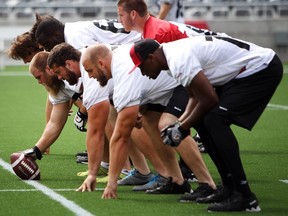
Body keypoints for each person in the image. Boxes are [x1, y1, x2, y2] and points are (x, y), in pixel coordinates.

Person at [128, 37, 283, 211]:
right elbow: (194, 96)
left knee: (215, 120)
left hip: (261, 68)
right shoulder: (170, 57)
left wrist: (181, 128)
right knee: (203, 120)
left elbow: (209, 99)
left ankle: (244, 195)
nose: (142, 73)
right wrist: (180, 124)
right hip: (245, 71)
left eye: (141, 67)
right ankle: (229, 187)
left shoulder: (177, 58)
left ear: (151, 58)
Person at [80, 42, 219, 199]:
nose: (90, 76)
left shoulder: (122, 72)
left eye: (90, 71)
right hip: (163, 90)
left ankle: (207, 184)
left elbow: (121, 137)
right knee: (150, 121)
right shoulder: (117, 64)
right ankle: (176, 181)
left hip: (183, 83)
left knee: (168, 125)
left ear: (101, 63)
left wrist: (111, 183)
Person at [117, 0, 216, 192]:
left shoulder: (155, 33)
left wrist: (137, 101)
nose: (118, 20)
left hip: (199, 77)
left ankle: (205, 181)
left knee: (167, 124)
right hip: (186, 77)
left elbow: (161, 70)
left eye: (120, 15)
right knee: (150, 118)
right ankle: (173, 178)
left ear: (133, 15)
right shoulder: (149, 30)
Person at [47, 43, 161, 190]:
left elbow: (95, 131)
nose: (59, 77)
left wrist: (92, 175)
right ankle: (142, 171)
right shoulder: (88, 58)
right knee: (124, 121)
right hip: (149, 86)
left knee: (142, 124)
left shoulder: (92, 77)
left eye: (58, 72)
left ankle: (165, 174)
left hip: (162, 84)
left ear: (68, 63)